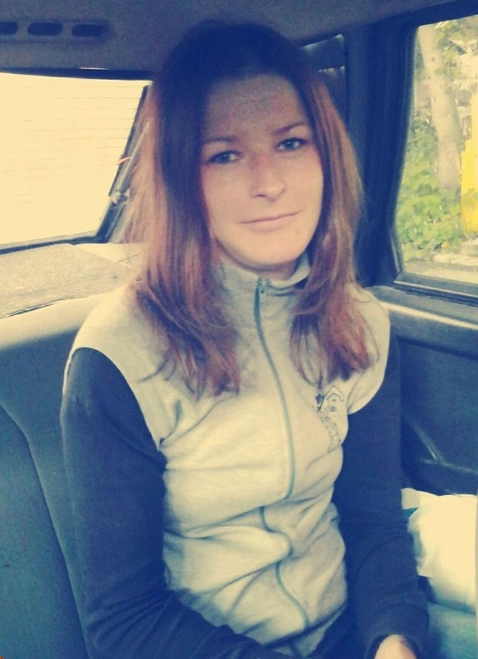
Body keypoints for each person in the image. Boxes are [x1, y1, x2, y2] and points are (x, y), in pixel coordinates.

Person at [60, 21, 430, 659]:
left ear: (327, 155)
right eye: (225, 155)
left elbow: (374, 524)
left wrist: (396, 641)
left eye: (291, 143)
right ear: (182, 178)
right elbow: (124, 621)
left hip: (350, 636)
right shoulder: (118, 356)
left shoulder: (362, 322)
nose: (269, 182)